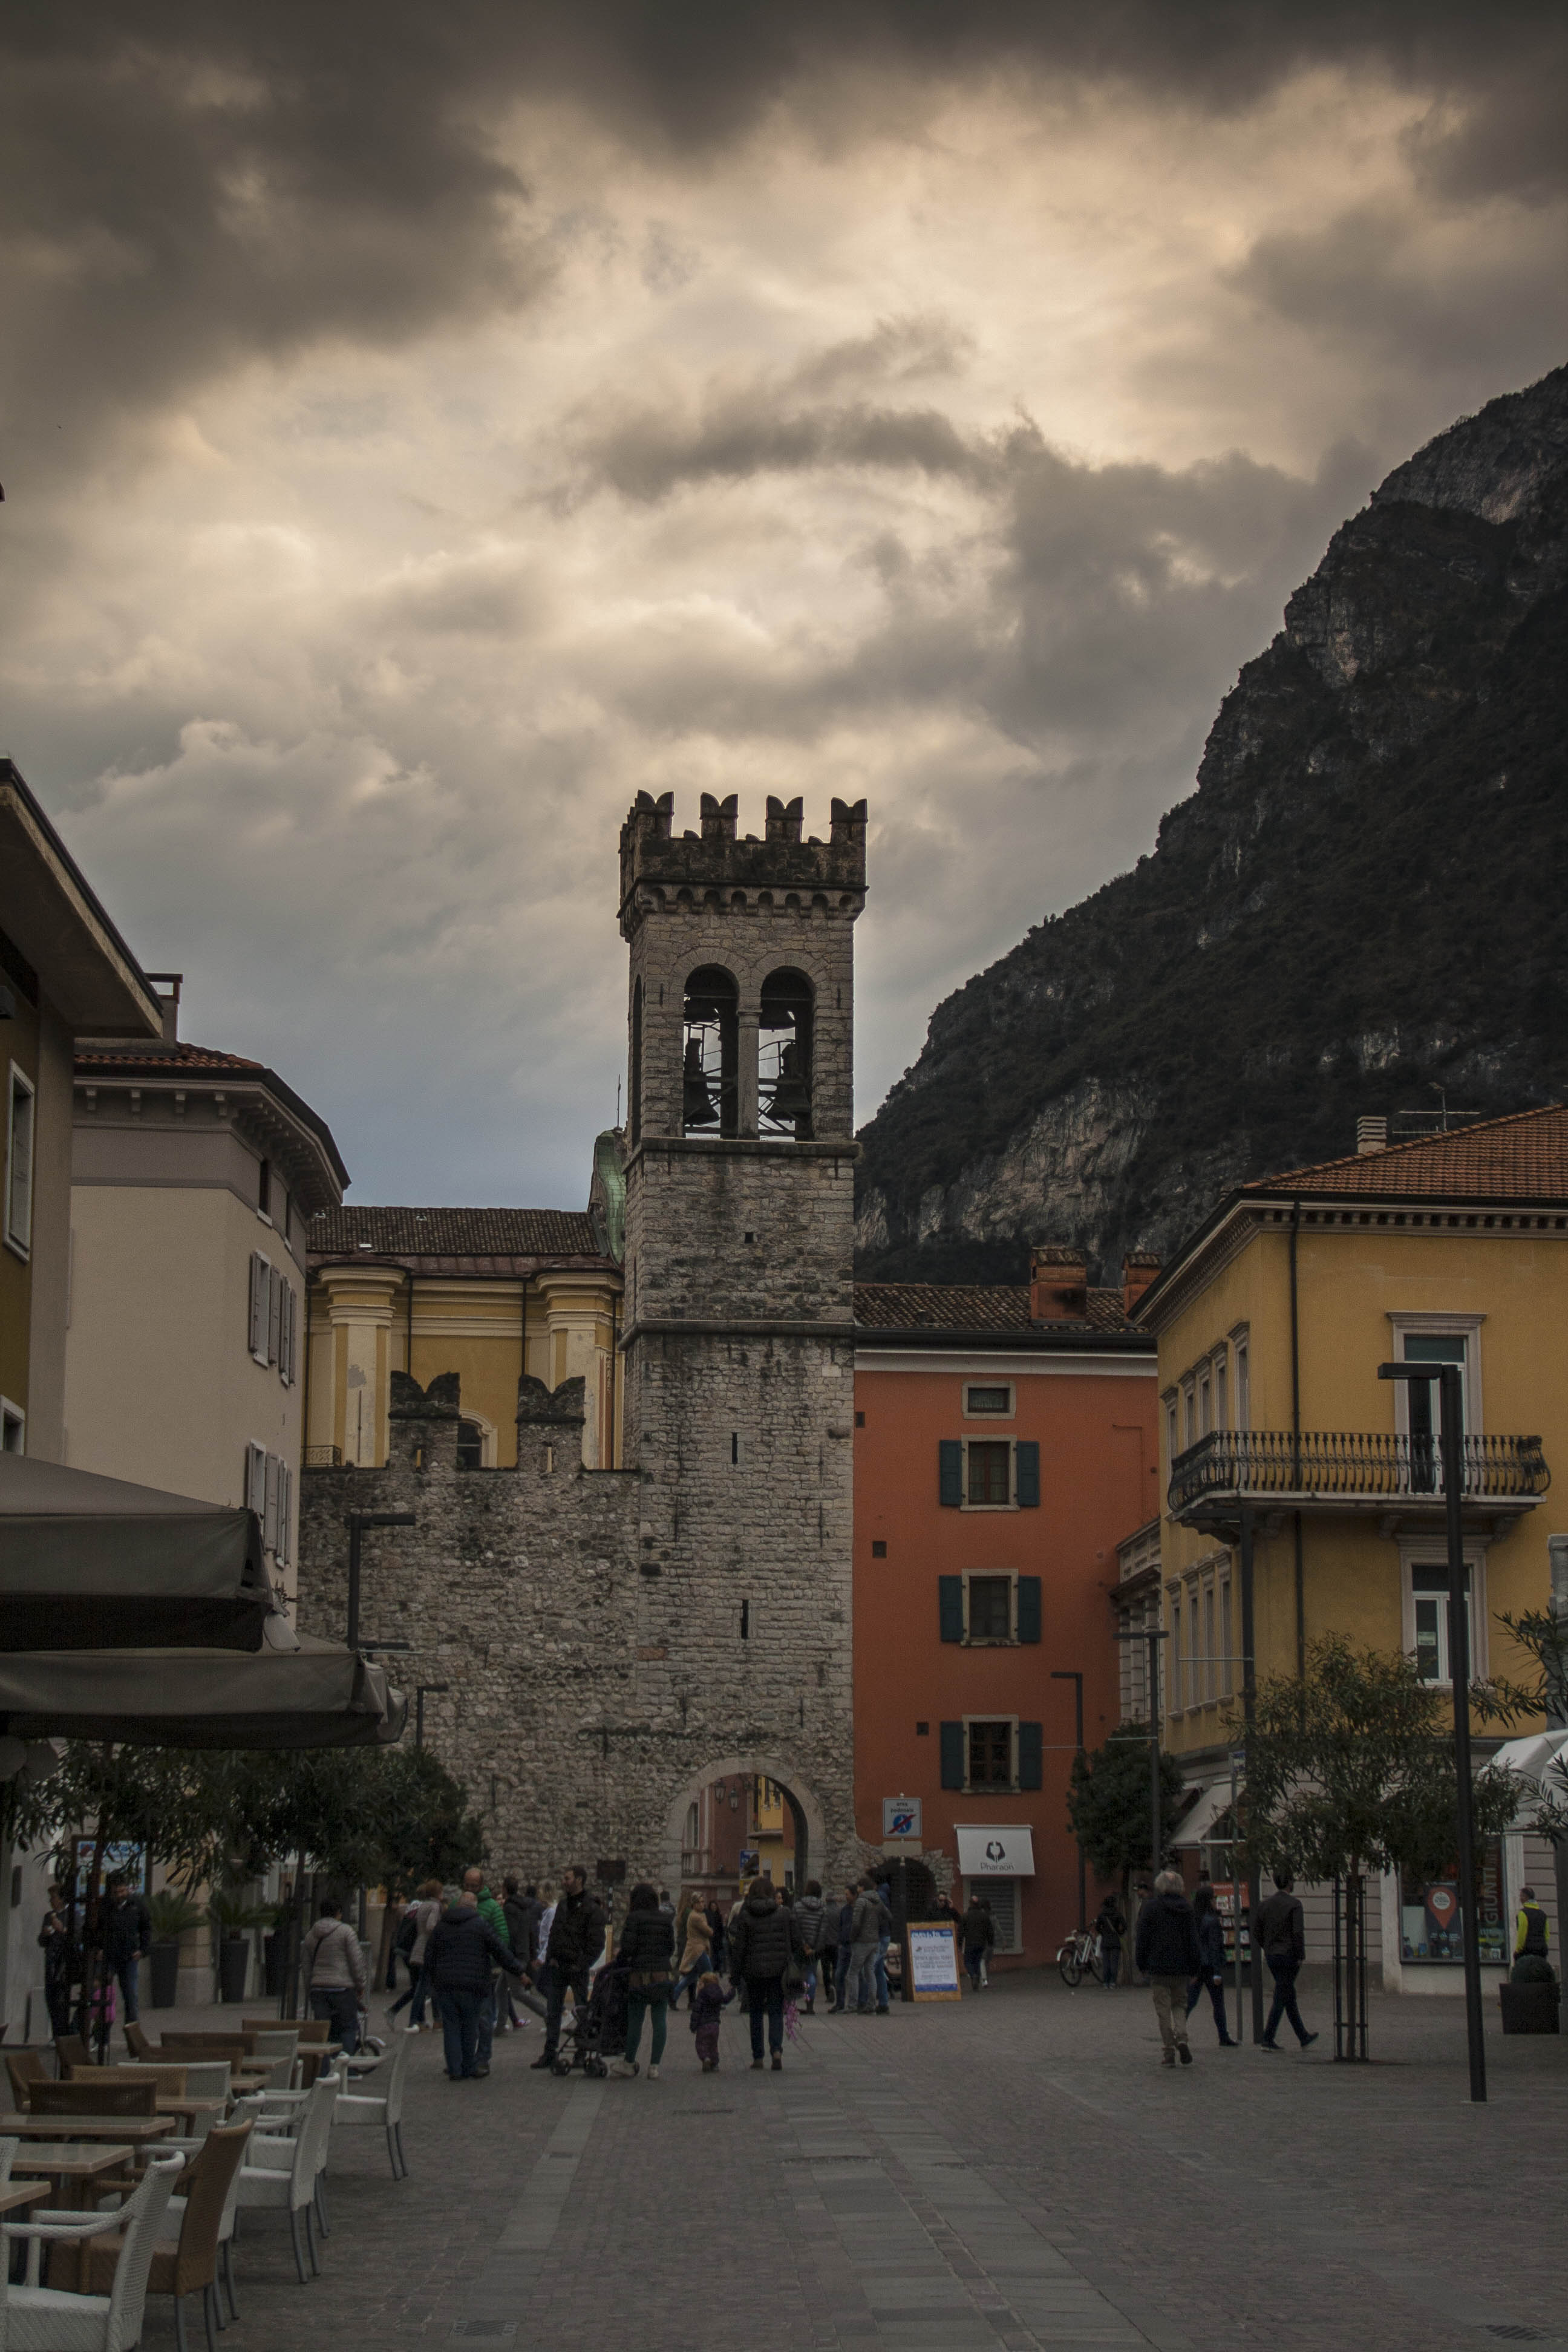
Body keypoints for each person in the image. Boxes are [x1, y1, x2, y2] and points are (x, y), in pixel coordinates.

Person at [424, 1889, 528, 2080]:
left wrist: (432, 1980)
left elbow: (429, 1955)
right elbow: (500, 1951)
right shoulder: (480, 1925)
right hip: (473, 1984)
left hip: (446, 1985)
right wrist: (519, 1971)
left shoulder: (442, 1926)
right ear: (475, 1907)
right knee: (470, 2026)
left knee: (451, 2027)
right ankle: (468, 2065)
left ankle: (455, 2069)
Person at [532, 1866, 606, 2071]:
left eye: (568, 1878)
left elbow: (597, 1942)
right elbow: (554, 1934)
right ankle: (550, 2052)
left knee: (581, 2011)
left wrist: (582, 1964)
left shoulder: (591, 1908)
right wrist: (552, 1958)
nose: (564, 1882)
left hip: (577, 1968)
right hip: (559, 1966)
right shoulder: (564, 1905)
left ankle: (581, 2052)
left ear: (579, 1880)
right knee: (553, 2011)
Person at [727, 1874, 803, 2069]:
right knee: (776, 2011)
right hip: (779, 1971)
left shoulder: (745, 1916)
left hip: (753, 1972)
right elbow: (796, 1942)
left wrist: (735, 1977)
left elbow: (739, 1949)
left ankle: (758, 2056)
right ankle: (776, 2051)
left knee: (756, 2013)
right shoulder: (784, 1913)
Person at [1134, 1869, 1201, 2066]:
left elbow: (1143, 1938)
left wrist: (1142, 1964)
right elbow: (1193, 1941)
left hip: (1158, 1967)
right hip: (1181, 1968)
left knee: (1163, 2010)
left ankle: (1169, 2051)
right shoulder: (1187, 1909)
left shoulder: (1151, 1908)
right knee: (1180, 2005)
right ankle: (1181, 2036)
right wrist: (1195, 1968)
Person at [614, 1881, 676, 2079]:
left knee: (636, 2020)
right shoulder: (666, 1919)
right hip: (661, 1975)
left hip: (639, 1976)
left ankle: (629, 2062)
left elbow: (628, 1947)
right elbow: (670, 1948)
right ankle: (654, 2066)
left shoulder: (634, 1918)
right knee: (660, 2021)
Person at [1255, 1872, 1318, 2052]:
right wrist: (1300, 1955)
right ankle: (1268, 2037)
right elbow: (1298, 1933)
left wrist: (1267, 1947)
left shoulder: (1264, 1905)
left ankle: (1303, 2036)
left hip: (1272, 1956)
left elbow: (1257, 1932)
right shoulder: (1295, 1905)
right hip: (1289, 1955)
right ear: (1289, 1882)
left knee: (1287, 1994)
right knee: (1282, 1994)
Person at [301, 1897, 367, 2054]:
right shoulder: (346, 1932)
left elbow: (306, 1967)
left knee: (323, 2031)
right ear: (338, 1913)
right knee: (348, 2028)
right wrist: (361, 1984)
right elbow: (356, 1961)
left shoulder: (311, 1935)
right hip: (342, 1988)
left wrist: (310, 1989)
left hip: (318, 1989)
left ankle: (324, 2071)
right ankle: (345, 2070)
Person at [1185, 1884, 1236, 2045]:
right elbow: (1214, 1947)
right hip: (1209, 1967)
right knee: (1218, 2003)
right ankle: (1223, 2036)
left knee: (1190, 2001)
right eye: (1214, 1898)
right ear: (1209, 1901)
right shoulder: (1212, 1921)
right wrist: (1217, 1972)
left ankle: (1178, 2029)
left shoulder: (1192, 1919)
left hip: (1196, 1966)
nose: (1216, 1901)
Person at [100, 1873, 152, 2026]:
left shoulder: (136, 1904)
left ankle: (132, 2033)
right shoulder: (105, 1906)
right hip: (109, 1956)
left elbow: (147, 1928)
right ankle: (101, 2037)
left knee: (131, 1996)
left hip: (129, 1956)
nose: (120, 1895)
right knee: (102, 1996)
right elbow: (97, 1929)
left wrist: (142, 1950)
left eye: (123, 1891)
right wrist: (99, 1948)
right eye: (116, 1892)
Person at [38, 1884, 80, 2037]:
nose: (51, 1901)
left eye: (54, 1898)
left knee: (62, 2000)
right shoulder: (48, 1916)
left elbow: (76, 1936)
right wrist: (45, 1935)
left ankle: (64, 2034)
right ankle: (57, 2035)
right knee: (51, 1998)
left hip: (65, 1962)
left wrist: (62, 1929)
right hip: (51, 1960)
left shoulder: (72, 1915)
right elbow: (41, 1942)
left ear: (62, 1899)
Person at [847, 1878, 883, 2013]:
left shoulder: (861, 1901)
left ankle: (852, 2005)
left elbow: (856, 1923)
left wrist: (852, 1938)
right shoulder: (878, 1900)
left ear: (862, 1888)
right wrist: (876, 1926)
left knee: (853, 1973)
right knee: (870, 1972)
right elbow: (887, 1916)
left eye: (859, 1887)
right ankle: (872, 2005)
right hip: (875, 1941)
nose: (857, 1890)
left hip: (862, 1942)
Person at [792, 1879, 828, 2014]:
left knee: (795, 1973)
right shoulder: (823, 1909)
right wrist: (814, 1948)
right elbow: (823, 1931)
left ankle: (792, 2003)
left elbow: (795, 1928)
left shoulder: (797, 1907)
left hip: (801, 1948)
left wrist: (803, 1944)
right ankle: (810, 2004)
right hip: (814, 1949)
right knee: (811, 1974)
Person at [688, 1968, 735, 2070]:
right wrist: (732, 1992)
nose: (698, 1986)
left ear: (704, 1984)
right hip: (715, 2025)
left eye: (700, 1983)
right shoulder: (718, 1993)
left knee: (701, 2044)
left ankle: (705, 2058)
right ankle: (715, 2064)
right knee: (713, 2045)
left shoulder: (702, 1995)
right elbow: (726, 2000)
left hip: (703, 2025)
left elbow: (696, 2011)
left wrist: (693, 2026)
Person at [673, 1896, 714, 2011]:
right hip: (698, 1949)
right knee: (709, 1974)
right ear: (694, 1904)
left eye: (703, 1902)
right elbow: (709, 1932)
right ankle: (714, 1998)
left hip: (698, 1948)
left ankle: (673, 1996)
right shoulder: (696, 1916)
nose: (703, 1904)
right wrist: (710, 1930)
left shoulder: (699, 1915)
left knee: (692, 1976)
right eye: (700, 1902)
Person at [1514, 1885, 1553, 1979]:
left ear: (1526, 1898)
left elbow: (1522, 1934)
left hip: (1527, 1950)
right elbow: (1547, 1934)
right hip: (1541, 1950)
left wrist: (1518, 1950)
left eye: (1521, 1896)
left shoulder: (1523, 1913)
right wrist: (1542, 1944)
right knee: (1540, 1975)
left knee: (1525, 1975)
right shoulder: (1543, 1914)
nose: (1520, 1898)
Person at [960, 1894, 994, 1994]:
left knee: (968, 1962)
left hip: (970, 1943)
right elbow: (990, 1930)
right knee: (978, 1962)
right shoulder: (984, 1916)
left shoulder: (966, 1916)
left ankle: (973, 1975)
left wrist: (959, 1943)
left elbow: (961, 1931)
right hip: (981, 1943)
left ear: (970, 1904)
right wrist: (990, 1942)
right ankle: (977, 1979)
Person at [1093, 1892, 1125, 1990]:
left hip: (1105, 1941)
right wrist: (1120, 1933)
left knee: (1106, 1963)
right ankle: (1113, 1982)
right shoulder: (1118, 1914)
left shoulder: (1102, 1915)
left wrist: (1103, 1933)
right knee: (1114, 1963)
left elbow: (1097, 1927)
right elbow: (1124, 1926)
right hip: (1115, 1940)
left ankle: (1106, 1982)